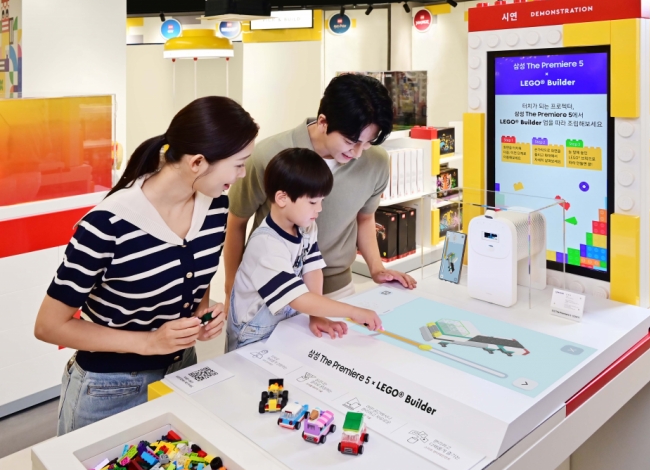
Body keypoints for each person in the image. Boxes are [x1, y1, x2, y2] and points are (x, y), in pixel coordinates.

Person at [34, 96, 259, 435]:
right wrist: (149, 342)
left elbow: (196, 281)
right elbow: (48, 326)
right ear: (197, 162)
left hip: (182, 372)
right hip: (109, 388)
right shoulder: (107, 225)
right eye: (239, 164)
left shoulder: (216, 207)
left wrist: (199, 317)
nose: (242, 175)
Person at [224, 74, 417, 319]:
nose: (358, 153)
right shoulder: (269, 154)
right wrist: (231, 288)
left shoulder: (376, 162)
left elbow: (365, 219)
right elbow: (236, 222)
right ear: (323, 122)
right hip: (269, 293)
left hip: (338, 290)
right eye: (351, 141)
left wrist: (377, 269)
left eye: (367, 143)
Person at [227, 148, 382, 350]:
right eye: (312, 202)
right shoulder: (265, 246)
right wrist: (353, 311)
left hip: (283, 324)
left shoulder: (306, 227)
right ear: (282, 198)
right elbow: (297, 298)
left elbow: (312, 268)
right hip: (252, 335)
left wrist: (316, 315)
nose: (319, 209)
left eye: (321, 201)